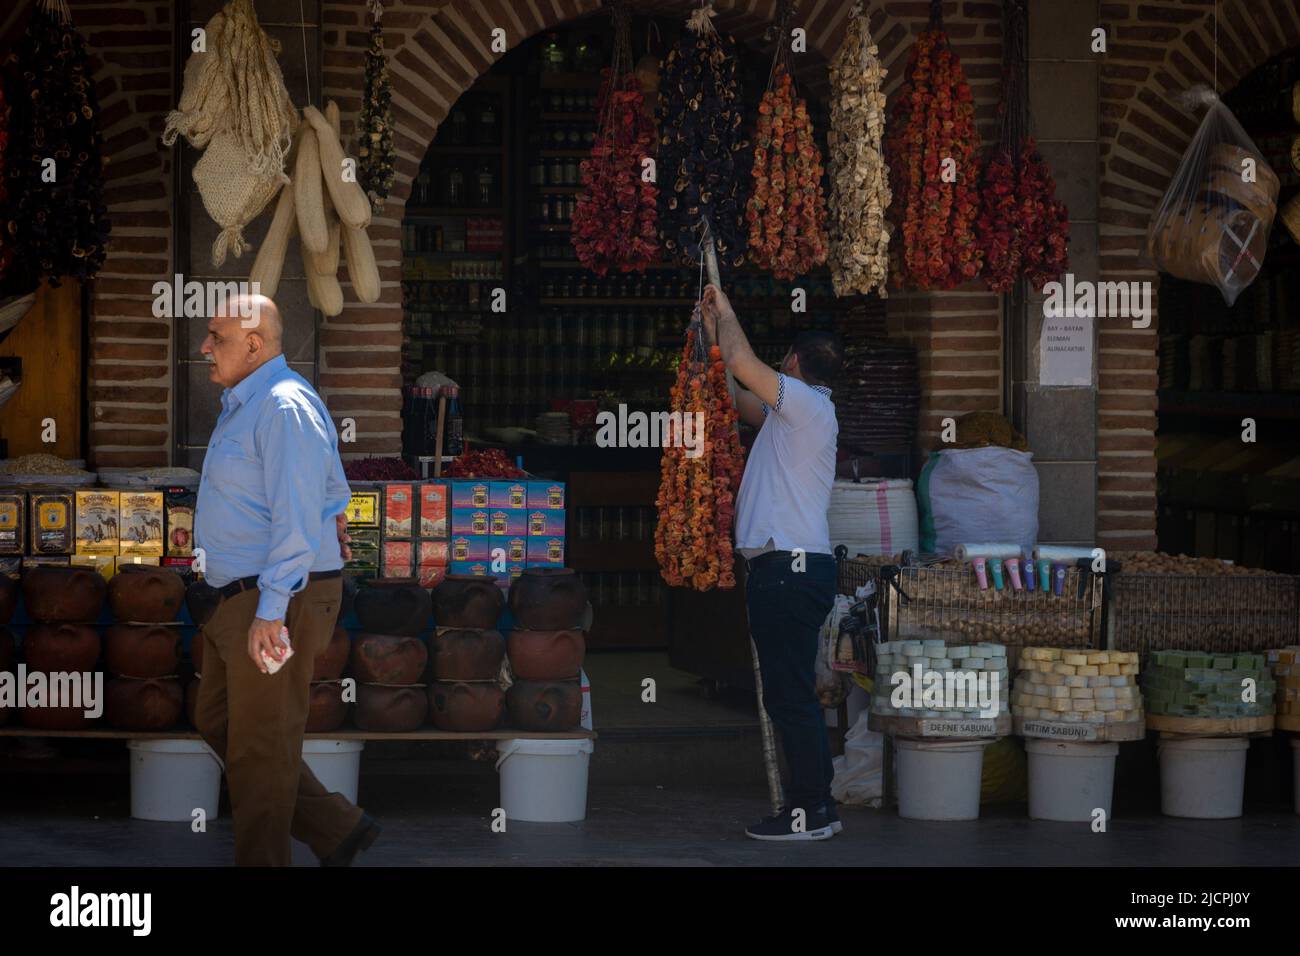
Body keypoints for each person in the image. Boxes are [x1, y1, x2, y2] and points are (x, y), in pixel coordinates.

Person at [192, 293, 379, 866]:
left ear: (254, 343)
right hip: (240, 598)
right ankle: (335, 827)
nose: (204, 347)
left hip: (276, 599)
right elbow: (325, 492)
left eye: (216, 336)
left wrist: (272, 610)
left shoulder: (282, 405)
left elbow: (296, 518)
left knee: (260, 749)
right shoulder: (249, 403)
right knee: (221, 723)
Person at [699, 283, 843, 842]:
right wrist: (712, 337)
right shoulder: (797, 418)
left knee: (790, 696)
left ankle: (811, 810)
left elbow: (743, 363)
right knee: (790, 693)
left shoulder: (805, 404)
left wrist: (727, 309)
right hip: (785, 569)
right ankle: (817, 807)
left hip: (791, 569)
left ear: (792, 363)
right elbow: (740, 395)